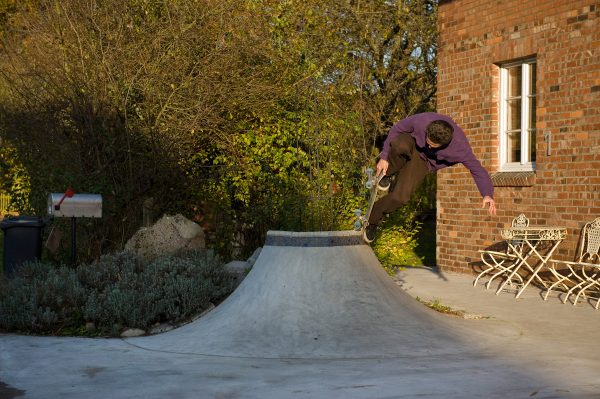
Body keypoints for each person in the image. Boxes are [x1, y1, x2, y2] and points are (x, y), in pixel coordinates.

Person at [363, 112, 496, 243]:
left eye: (433, 146)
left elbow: (477, 169)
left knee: (401, 198)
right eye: (428, 141)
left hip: (423, 162)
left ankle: (373, 221)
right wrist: (384, 156)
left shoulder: (461, 149)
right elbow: (397, 128)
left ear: (444, 145)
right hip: (411, 143)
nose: (428, 146)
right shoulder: (423, 120)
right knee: (399, 144)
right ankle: (388, 173)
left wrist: (487, 194)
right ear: (427, 131)